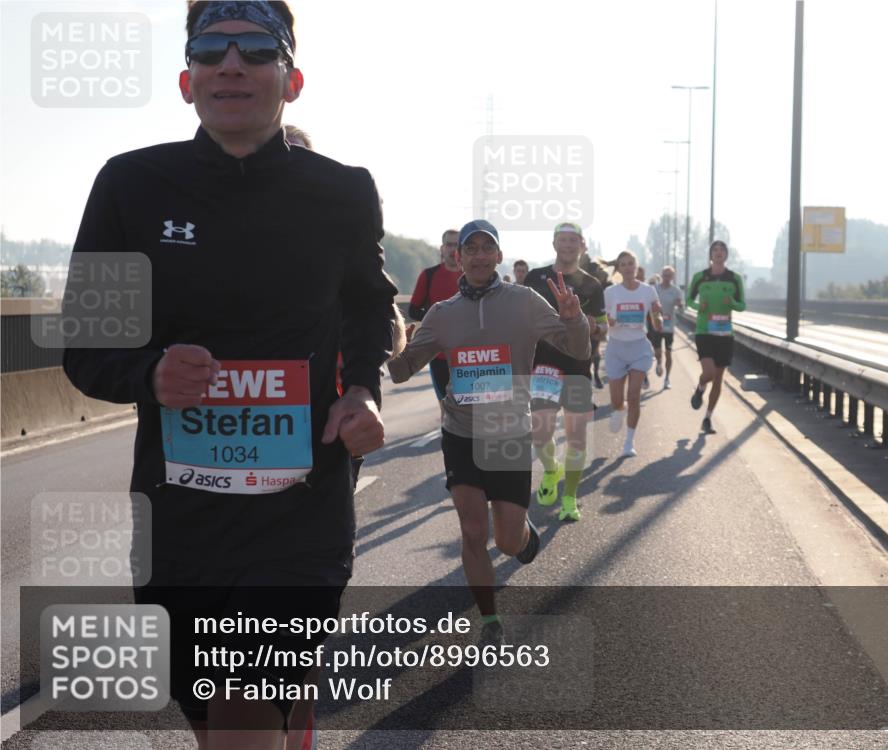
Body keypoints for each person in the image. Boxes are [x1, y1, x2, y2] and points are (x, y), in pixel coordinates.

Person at [61, 3, 397, 748]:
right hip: (180, 522)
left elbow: (371, 309)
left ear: (293, 78)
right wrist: (150, 372)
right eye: (211, 49)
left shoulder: (341, 191)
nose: (231, 64)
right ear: (188, 80)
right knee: (214, 721)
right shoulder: (130, 186)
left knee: (242, 714)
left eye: (256, 49)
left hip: (299, 516)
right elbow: (84, 350)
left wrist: (361, 390)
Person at [387, 220, 589, 641]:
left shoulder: (525, 302)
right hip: (461, 433)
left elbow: (577, 349)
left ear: (498, 256)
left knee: (508, 540)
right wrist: (397, 343)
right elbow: (403, 371)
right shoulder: (442, 315)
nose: (479, 256)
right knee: (473, 530)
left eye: (487, 248)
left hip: (509, 432)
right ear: (458, 258)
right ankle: (489, 619)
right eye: (470, 249)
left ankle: (522, 536)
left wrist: (574, 320)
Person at [524, 223, 607, 521]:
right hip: (544, 364)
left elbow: (603, 325)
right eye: (563, 239)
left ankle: (570, 498)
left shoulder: (592, 284)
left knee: (576, 437)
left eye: (574, 240)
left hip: (577, 367)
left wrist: (592, 325)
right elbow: (522, 316)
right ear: (554, 243)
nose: (568, 245)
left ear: (582, 245)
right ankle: (551, 470)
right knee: (541, 431)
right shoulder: (536, 277)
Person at [604, 251, 662, 457]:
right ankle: (619, 410)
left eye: (631, 264)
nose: (628, 267)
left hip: (639, 347)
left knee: (634, 395)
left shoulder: (648, 291)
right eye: (623, 264)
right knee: (617, 400)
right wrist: (608, 322)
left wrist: (658, 318)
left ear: (636, 267)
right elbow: (604, 323)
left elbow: (656, 322)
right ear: (618, 269)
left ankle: (629, 442)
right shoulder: (610, 293)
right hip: (616, 348)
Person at [687, 240, 747, 434]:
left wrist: (732, 302)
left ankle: (707, 418)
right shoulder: (700, 277)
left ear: (726, 255)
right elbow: (688, 300)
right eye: (715, 250)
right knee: (709, 373)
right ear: (710, 255)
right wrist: (698, 307)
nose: (719, 253)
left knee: (719, 379)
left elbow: (742, 305)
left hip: (724, 333)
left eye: (722, 250)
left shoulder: (734, 278)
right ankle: (700, 387)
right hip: (704, 331)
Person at [408, 229, 463, 401]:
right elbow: (413, 310)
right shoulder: (429, 275)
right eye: (449, 244)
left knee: (468, 406)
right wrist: (436, 316)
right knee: (445, 405)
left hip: (467, 354)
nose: (452, 249)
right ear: (442, 248)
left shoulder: (472, 276)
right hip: (438, 354)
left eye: (457, 244)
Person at [649, 265, 685, 389]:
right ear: (661, 275)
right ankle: (659, 362)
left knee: (669, 353)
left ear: (673, 277)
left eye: (669, 275)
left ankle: (667, 378)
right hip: (656, 325)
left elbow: (682, 310)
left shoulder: (676, 291)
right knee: (658, 352)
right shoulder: (654, 289)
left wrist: (680, 305)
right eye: (665, 275)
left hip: (669, 326)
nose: (666, 278)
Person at [581, 247, 611, 389]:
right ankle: (587, 380)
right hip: (579, 319)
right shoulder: (574, 274)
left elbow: (605, 278)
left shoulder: (599, 277)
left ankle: (595, 376)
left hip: (595, 317)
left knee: (594, 350)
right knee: (584, 356)